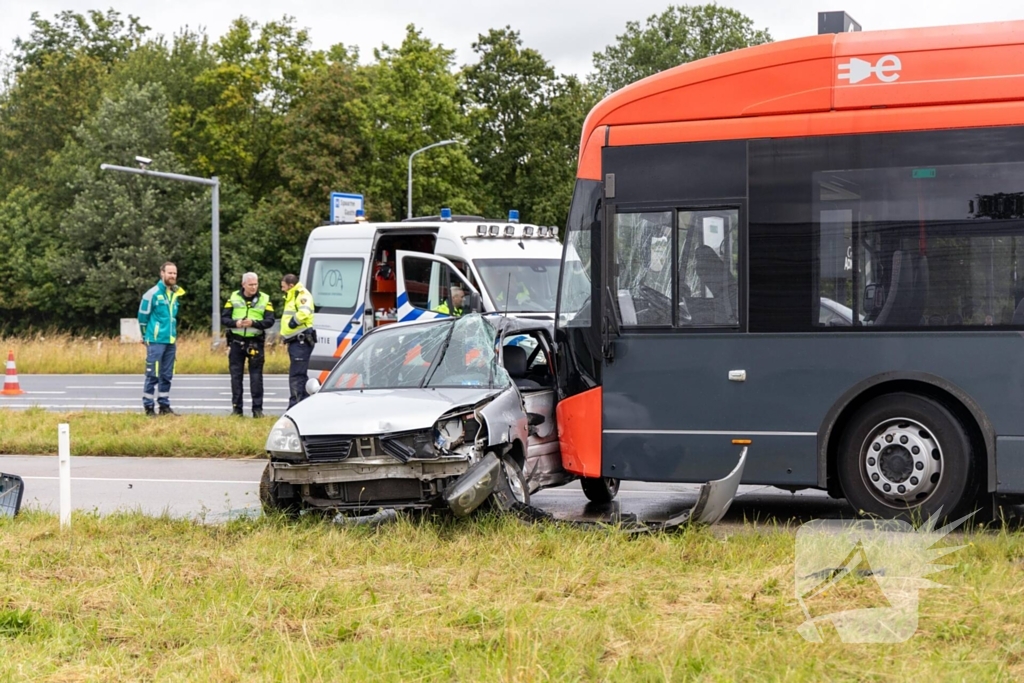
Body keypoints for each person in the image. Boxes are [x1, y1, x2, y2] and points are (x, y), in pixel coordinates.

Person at [222, 272, 275, 418]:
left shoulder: (264, 298)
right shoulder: (233, 297)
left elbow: (270, 320)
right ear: (243, 284)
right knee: (236, 377)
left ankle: (257, 410)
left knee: (256, 377)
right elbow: (224, 318)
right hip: (237, 341)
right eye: (251, 284)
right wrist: (236, 323)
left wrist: (254, 323)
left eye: (256, 284)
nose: (254, 287)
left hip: (255, 342)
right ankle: (237, 410)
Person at [138, 262, 185, 416]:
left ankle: (164, 406)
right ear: (162, 273)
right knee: (153, 374)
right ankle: (149, 407)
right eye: (170, 273)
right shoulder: (151, 294)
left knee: (167, 375)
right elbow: (142, 317)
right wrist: (145, 336)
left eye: (175, 273)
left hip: (170, 340)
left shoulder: (174, 293)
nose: (172, 276)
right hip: (156, 340)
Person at [280, 273, 316, 408]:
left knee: (297, 376)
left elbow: (304, 312)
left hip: (301, 340)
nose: (282, 289)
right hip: (296, 341)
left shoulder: (301, 295)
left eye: (283, 287)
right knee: (299, 375)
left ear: (291, 285)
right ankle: (304, 405)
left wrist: (293, 323)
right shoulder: (292, 295)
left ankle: (295, 406)